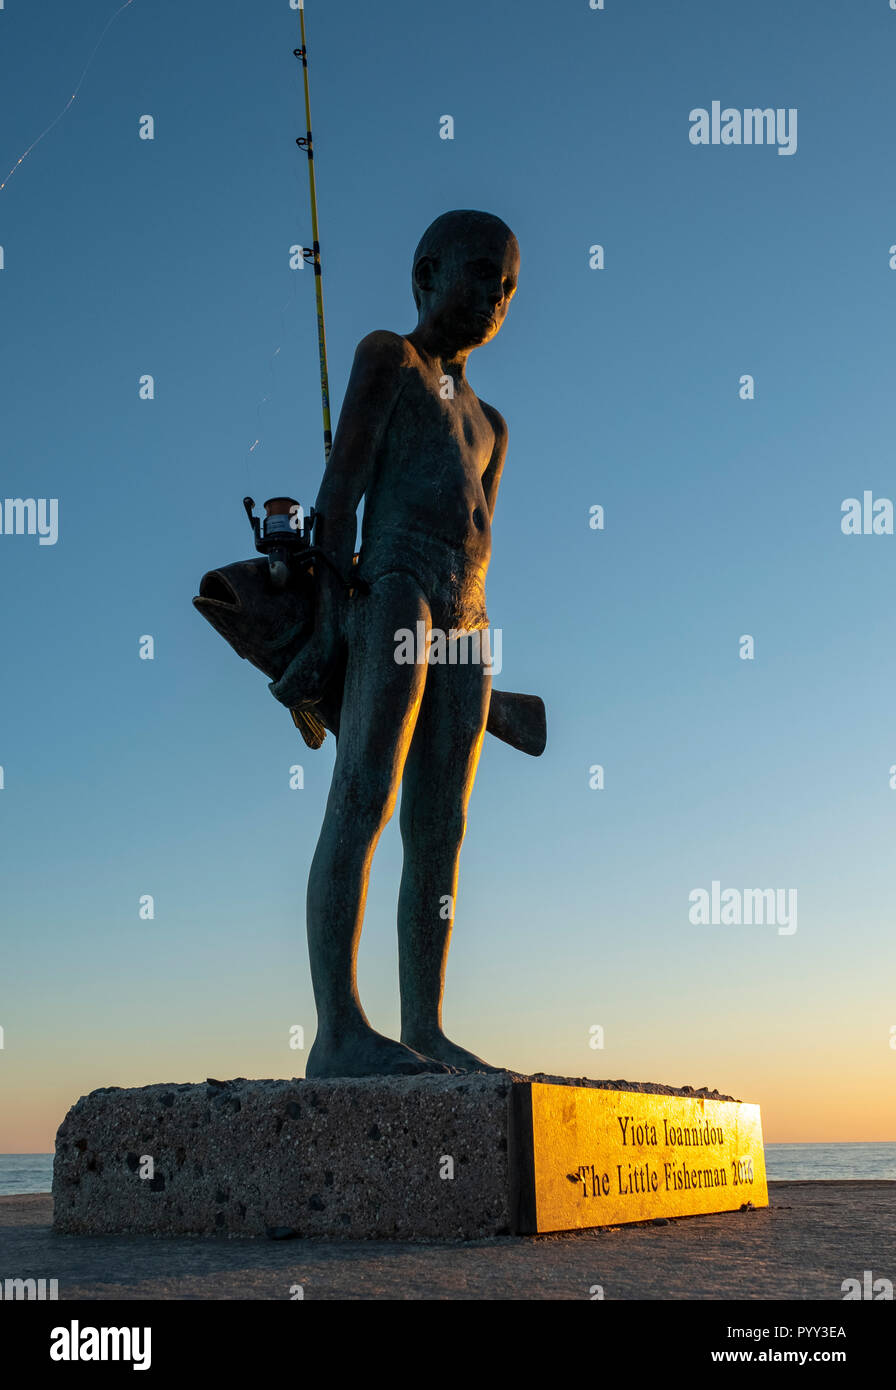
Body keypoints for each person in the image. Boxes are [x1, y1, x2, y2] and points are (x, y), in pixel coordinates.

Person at [270, 210, 520, 1077]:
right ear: (426, 274)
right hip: (397, 588)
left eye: (510, 283)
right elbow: (340, 495)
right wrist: (333, 628)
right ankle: (339, 1029)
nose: (497, 293)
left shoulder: (493, 423)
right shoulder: (391, 357)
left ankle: (425, 1026)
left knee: (441, 829)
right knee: (365, 796)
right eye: (482, 271)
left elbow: (481, 532)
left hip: (470, 619)